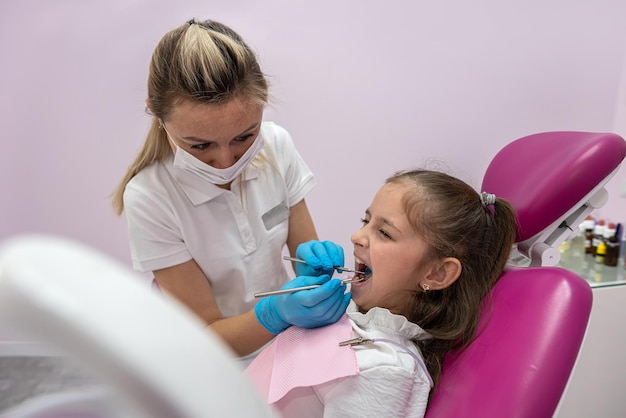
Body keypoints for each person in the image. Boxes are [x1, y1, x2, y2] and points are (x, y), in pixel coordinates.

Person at [111, 18, 350, 363]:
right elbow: (206, 334)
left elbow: (302, 258)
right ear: (158, 117)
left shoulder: (277, 146)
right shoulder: (151, 197)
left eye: (244, 136)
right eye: (200, 145)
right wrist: (275, 314)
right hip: (205, 359)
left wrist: (314, 273)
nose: (224, 161)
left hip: (281, 344)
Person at [246, 169, 518, 417]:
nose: (356, 236)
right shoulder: (351, 318)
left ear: (437, 274)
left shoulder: (385, 369)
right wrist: (283, 313)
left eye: (384, 233)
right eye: (366, 220)